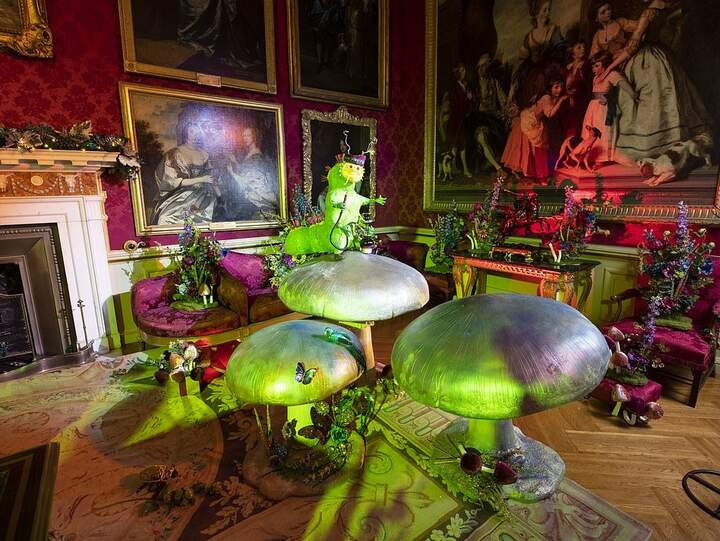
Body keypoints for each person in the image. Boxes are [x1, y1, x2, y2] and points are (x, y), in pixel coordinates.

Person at [600, 0, 712, 180]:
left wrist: (610, 67)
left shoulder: (648, 12)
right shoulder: (664, 7)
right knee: (663, 100)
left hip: (645, 61)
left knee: (648, 102)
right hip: (662, 56)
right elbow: (636, 29)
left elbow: (633, 45)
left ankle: (653, 151)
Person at [151, 106, 218, 225]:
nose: (195, 135)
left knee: (207, 218)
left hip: (203, 195)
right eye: (192, 132)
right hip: (181, 194)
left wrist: (219, 194)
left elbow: (212, 179)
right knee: (165, 218)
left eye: (197, 132)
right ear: (186, 133)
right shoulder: (174, 153)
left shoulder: (205, 154)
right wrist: (201, 179)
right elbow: (172, 181)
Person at [502, 79, 568, 179]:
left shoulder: (548, 96)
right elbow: (549, 114)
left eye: (561, 87)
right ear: (550, 88)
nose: (559, 90)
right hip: (529, 122)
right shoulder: (546, 97)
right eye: (556, 87)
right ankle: (523, 170)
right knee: (528, 147)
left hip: (532, 120)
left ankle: (525, 171)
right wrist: (561, 100)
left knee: (529, 148)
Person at [509, 0, 566, 110]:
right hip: (532, 71)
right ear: (536, 12)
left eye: (549, 10)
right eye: (544, 10)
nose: (547, 13)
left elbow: (560, 50)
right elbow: (522, 58)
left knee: (542, 80)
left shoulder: (554, 30)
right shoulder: (529, 36)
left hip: (549, 69)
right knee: (525, 83)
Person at [582, 52, 637, 165]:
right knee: (590, 132)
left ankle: (603, 158)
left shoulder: (612, 75)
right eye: (593, 66)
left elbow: (625, 86)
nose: (593, 69)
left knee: (604, 131)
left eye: (597, 66)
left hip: (604, 109)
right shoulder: (596, 78)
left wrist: (633, 95)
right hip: (592, 108)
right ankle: (590, 156)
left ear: (605, 66)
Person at [225, 125, 278, 220]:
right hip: (251, 197)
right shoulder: (250, 153)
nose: (245, 138)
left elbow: (249, 179)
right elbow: (246, 171)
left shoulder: (256, 155)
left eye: (248, 135)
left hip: (258, 198)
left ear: (254, 137)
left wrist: (232, 171)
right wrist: (234, 162)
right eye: (244, 135)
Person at [447, 62, 474, 178]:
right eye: (462, 70)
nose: (464, 73)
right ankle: (454, 167)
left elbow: (468, 105)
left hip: (463, 119)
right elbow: (455, 105)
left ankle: (464, 169)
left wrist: (469, 99)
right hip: (456, 120)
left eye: (465, 70)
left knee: (462, 144)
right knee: (455, 144)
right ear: (457, 72)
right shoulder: (454, 87)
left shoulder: (465, 85)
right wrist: (467, 98)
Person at [562, 41, 592, 139]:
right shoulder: (568, 68)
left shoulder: (586, 65)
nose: (583, 49)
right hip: (568, 102)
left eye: (583, 47)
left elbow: (588, 85)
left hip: (581, 102)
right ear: (572, 52)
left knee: (579, 127)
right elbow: (563, 85)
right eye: (579, 47)